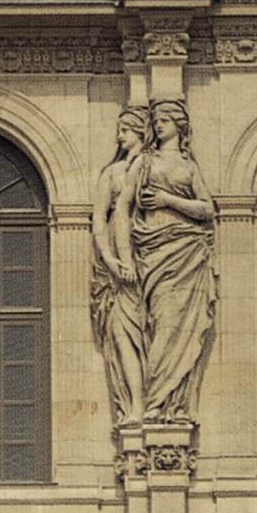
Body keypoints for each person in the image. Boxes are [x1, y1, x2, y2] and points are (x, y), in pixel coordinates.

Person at [113, 99, 217, 424]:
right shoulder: (144, 162)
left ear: (180, 126)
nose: (159, 125)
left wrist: (168, 200)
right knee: (162, 323)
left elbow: (207, 209)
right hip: (153, 254)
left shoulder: (189, 167)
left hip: (188, 251)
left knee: (180, 326)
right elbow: (122, 209)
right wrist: (125, 258)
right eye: (156, 121)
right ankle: (155, 401)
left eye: (166, 121)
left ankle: (168, 403)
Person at [91, 106, 149, 427]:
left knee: (145, 334)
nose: (119, 136)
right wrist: (113, 260)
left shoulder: (150, 166)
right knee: (121, 333)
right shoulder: (112, 173)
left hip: (148, 258)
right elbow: (101, 218)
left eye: (125, 130)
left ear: (141, 131)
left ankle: (144, 406)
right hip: (119, 264)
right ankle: (135, 406)